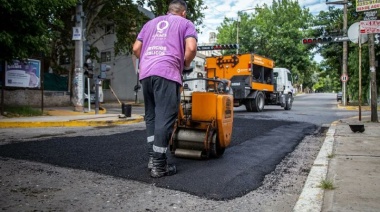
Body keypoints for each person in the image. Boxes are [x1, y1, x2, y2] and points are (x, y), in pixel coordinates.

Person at [132, 0, 197, 178]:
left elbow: (136, 48)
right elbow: (191, 48)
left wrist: (147, 61)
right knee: (165, 118)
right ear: (183, 13)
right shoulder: (186, 23)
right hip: (166, 71)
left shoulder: (150, 23)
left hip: (146, 74)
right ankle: (160, 166)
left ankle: (153, 159)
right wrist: (184, 64)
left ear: (169, 10)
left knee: (151, 117)